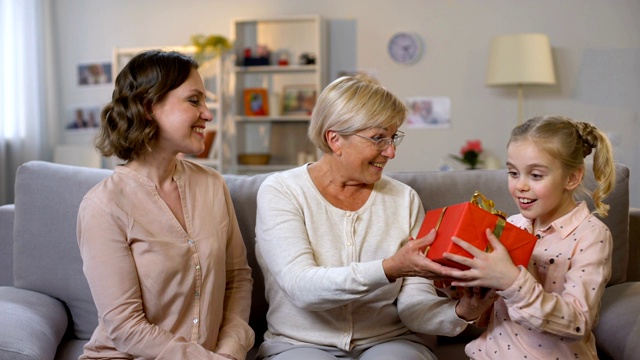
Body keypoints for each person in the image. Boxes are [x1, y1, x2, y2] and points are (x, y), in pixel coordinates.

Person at [254, 74, 497, 360]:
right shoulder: (282, 191)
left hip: (389, 342)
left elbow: (413, 305)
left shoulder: (404, 199)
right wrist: (389, 268)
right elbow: (301, 288)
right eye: (378, 138)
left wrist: (461, 312)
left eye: (393, 138)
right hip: (299, 345)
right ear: (335, 139)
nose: (391, 152)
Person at [77, 50, 254, 360]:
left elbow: (237, 279)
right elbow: (126, 327)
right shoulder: (103, 206)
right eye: (194, 101)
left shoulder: (212, 185)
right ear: (149, 107)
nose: (208, 114)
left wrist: (230, 351)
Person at [441, 115, 616, 359]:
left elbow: (578, 322)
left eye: (535, 175)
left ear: (572, 178)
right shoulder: (511, 225)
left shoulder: (591, 235)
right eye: (513, 173)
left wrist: (512, 281)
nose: (520, 186)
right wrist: (462, 286)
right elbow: (488, 314)